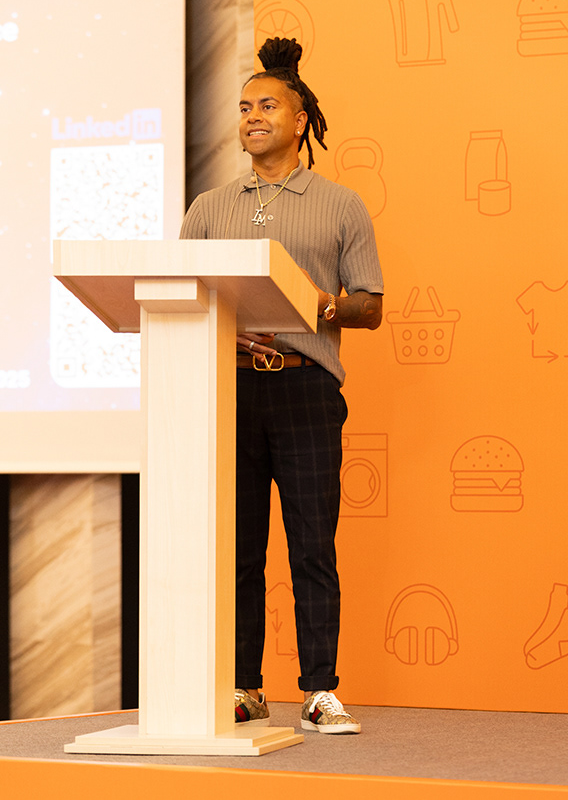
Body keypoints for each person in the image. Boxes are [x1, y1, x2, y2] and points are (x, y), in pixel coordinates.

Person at [180, 37, 383, 734]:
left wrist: (318, 305)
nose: (252, 117)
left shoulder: (341, 204)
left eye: (267, 106)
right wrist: (222, 328)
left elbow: (370, 306)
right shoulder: (208, 207)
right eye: (244, 108)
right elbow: (184, 295)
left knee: (311, 546)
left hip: (305, 390)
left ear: (301, 121)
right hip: (232, 393)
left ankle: (320, 691)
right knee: (239, 550)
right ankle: (245, 688)